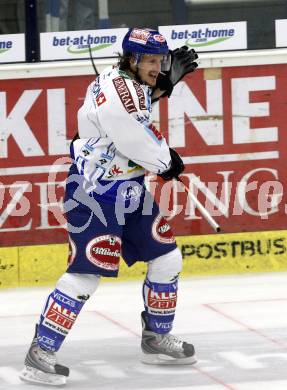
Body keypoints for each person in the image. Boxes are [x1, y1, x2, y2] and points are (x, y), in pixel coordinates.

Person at [19, 27, 198, 386]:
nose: (157, 66)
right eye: (150, 61)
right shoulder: (123, 94)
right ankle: (40, 352)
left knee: (166, 258)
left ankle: (155, 338)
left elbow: (133, 109)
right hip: (95, 194)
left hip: (128, 190)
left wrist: (163, 87)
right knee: (86, 274)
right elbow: (133, 136)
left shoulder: (121, 81)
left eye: (159, 60)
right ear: (131, 59)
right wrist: (168, 163)